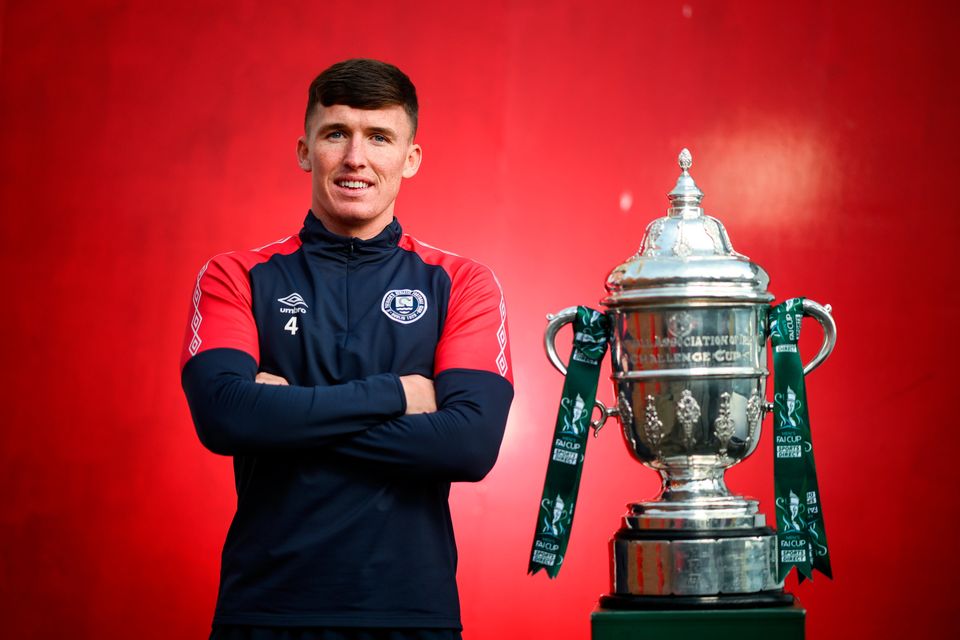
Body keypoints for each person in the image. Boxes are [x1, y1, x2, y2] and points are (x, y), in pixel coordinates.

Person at [179, 58, 514, 640]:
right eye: (337, 133)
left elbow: (469, 445)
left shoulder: (462, 282)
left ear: (410, 159)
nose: (355, 157)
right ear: (305, 149)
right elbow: (225, 417)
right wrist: (398, 394)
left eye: (379, 137)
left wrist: (285, 416)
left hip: (410, 615)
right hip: (264, 613)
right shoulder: (235, 276)